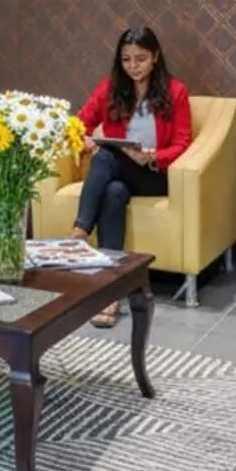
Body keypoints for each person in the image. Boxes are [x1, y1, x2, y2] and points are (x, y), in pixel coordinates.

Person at [70, 25, 195, 327]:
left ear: (155, 57)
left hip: (154, 175)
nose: (133, 66)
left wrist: (153, 156)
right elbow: (78, 123)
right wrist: (82, 138)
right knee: (112, 192)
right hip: (120, 174)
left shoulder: (175, 91)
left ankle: (79, 233)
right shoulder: (111, 88)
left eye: (140, 59)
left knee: (107, 157)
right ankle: (110, 295)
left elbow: (182, 143)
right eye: (126, 60)